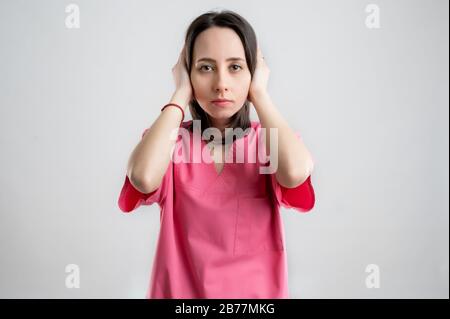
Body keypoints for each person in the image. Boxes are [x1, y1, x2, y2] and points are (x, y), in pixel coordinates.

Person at [118, 9, 316, 299]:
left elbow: (297, 171)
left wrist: (260, 94)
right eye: (205, 68)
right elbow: (143, 177)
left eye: (235, 67)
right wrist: (180, 95)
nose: (221, 83)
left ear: (253, 73)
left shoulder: (268, 141)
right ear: (188, 73)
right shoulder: (172, 141)